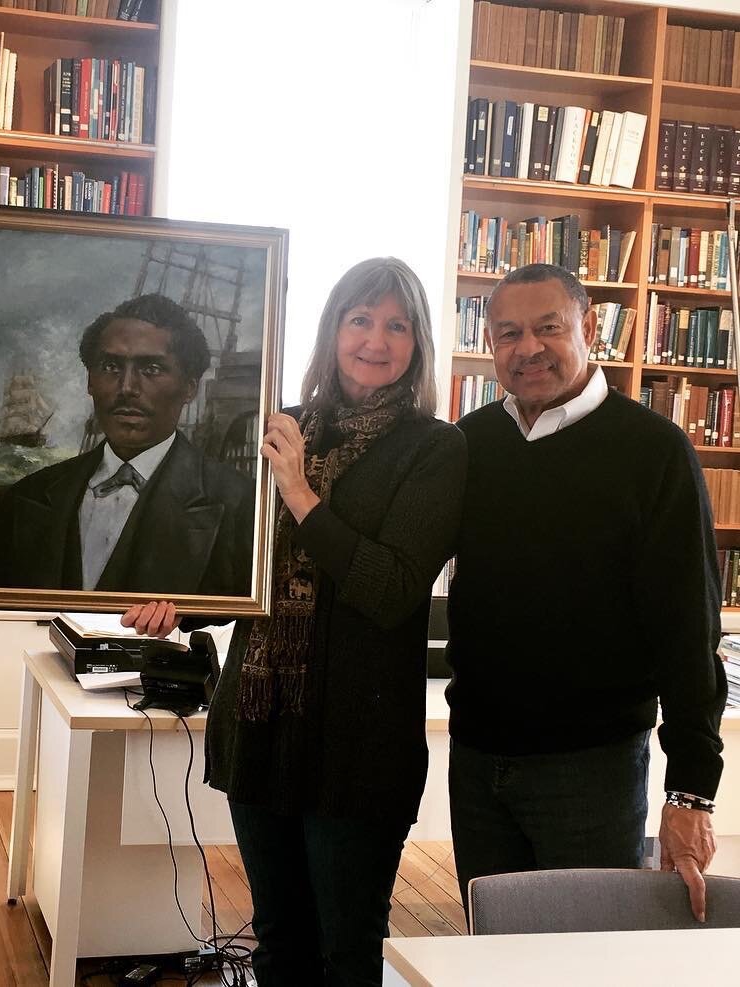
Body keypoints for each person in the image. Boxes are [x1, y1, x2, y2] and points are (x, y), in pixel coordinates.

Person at [126, 258, 467, 985]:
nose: (376, 339)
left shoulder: (435, 448)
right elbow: (234, 563)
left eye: (396, 325)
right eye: (360, 319)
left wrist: (303, 494)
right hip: (259, 730)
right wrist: (178, 603)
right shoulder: (279, 426)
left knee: (346, 949)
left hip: (357, 749)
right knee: (278, 941)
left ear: (418, 343)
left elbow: (391, 588)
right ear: (332, 329)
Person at [445, 262, 728, 921]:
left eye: (549, 327)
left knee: (583, 958)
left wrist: (691, 792)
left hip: (590, 773)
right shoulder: (469, 444)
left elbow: (688, 633)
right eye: (509, 332)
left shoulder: (654, 452)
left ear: (589, 327)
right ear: (490, 343)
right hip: (478, 762)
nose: (528, 348)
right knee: (492, 959)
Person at [0, 292, 255, 596]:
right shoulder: (28, 496)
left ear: (190, 387)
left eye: (151, 369)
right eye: (111, 367)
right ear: (90, 381)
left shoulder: (238, 503)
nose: (127, 388)